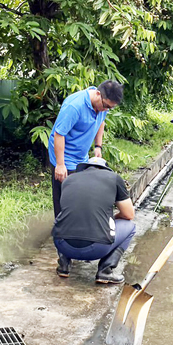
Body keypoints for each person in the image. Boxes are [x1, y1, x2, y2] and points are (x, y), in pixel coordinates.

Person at [53, 156, 136, 284]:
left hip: (63, 245)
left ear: (84, 169)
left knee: (63, 219)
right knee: (130, 226)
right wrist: (113, 220)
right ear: (105, 169)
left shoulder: (68, 180)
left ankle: (64, 265)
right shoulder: (114, 179)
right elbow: (129, 214)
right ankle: (105, 271)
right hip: (97, 249)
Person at [48, 81, 123, 218]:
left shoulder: (102, 108)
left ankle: (78, 228)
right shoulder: (75, 106)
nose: (106, 109)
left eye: (110, 108)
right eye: (106, 105)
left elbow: (101, 122)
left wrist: (98, 146)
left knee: (80, 196)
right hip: (65, 157)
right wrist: (60, 164)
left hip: (81, 158)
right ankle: (61, 234)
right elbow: (59, 135)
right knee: (65, 200)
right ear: (98, 94)